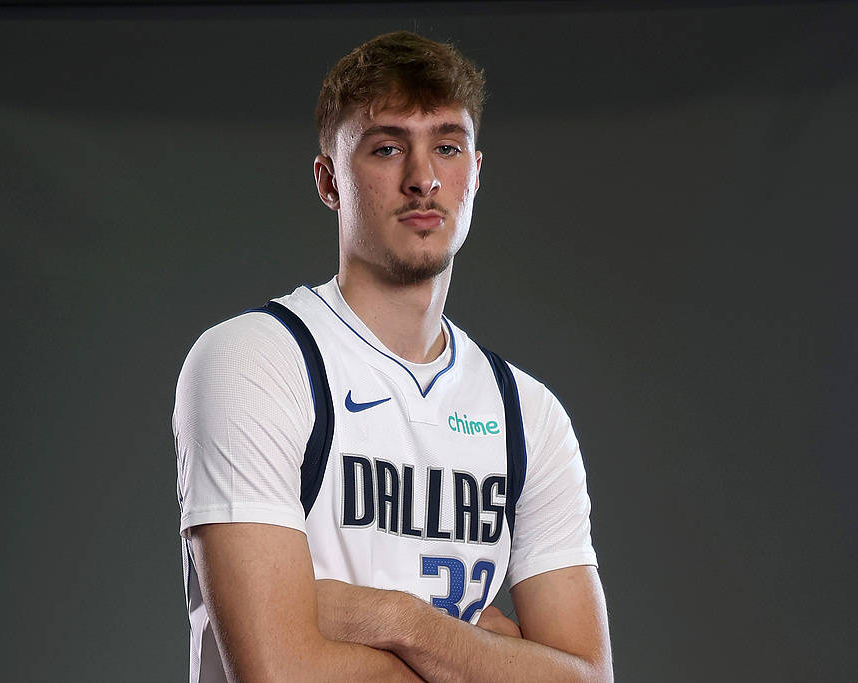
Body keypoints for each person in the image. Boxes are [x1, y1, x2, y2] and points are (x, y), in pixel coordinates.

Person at [173, 31, 612, 682]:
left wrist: (401, 620)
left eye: (446, 146)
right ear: (329, 180)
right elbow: (278, 673)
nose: (422, 179)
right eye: (386, 147)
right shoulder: (255, 360)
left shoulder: (528, 414)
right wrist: (488, 659)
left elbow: (589, 678)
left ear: (475, 173)